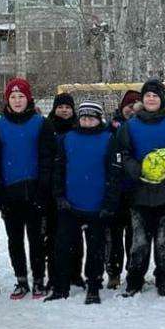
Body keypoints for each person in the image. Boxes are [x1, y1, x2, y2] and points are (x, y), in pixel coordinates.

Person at [114, 78, 165, 297]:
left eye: (155, 95)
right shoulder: (130, 126)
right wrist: (138, 170)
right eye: (147, 95)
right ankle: (134, 279)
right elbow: (122, 154)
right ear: (142, 99)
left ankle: (164, 279)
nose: (151, 99)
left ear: (161, 100)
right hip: (139, 192)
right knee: (139, 242)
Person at [0, 77, 56, 300]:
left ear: (28, 99)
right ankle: (21, 280)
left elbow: (47, 159)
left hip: (35, 192)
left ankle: (38, 280)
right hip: (10, 194)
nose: (17, 101)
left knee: (36, 239)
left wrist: (43, 191)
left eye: (21, 97)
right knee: (14, 240)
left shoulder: (41, 124)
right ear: (7, 100)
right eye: (13, 97)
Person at [46, 101, 120, 304]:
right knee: (63, 247)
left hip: (97, 205)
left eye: (92, 118)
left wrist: (109, 203)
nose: (87, 121)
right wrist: (59, 196)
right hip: (70, 204)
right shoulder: (67, 138)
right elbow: (58, 171)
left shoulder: (109, 139)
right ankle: (61, 287)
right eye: (84, 117)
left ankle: (93, 286)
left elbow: (115, 174)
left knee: (96, 249)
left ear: (99, 119)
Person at [45, 92, 82, 289]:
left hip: (75, 186)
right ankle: (54, 274)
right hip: (52, 187)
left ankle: (76, 273)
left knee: (75, 235)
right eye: (60, 107)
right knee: (53, 235)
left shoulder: (79, 127)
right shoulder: (47, 127)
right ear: (55, 108)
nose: (64, 110)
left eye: (68, 107)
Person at [105, 88, 140, 289]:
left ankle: (134, 272)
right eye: (128, 107)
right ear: (122, 107)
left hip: (136, 189)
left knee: (134, 236)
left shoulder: (142, 126)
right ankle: (114, 272)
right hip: (116, 190)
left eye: (135, 107)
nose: (131, 111)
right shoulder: (111, 128)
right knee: (114, 235)